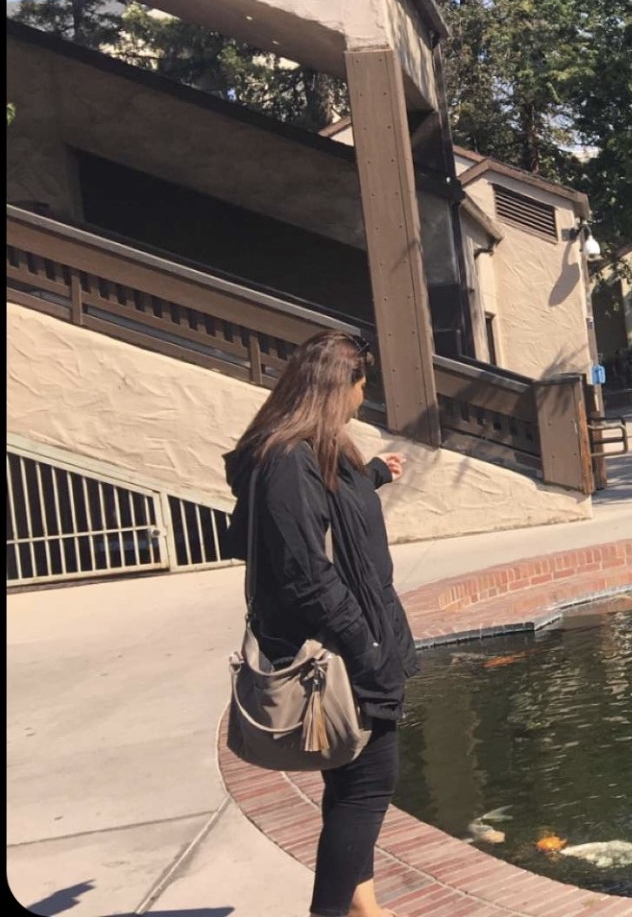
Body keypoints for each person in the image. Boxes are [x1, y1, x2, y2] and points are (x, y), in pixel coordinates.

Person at [223, 330, 417, 917]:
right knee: (367, 789)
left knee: (349, 785)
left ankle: (367, 911)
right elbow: (307, 575)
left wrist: (375, 474)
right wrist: (367, 648)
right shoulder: (289, 460)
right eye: (361, 387)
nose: (364, 399)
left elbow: (325, 507)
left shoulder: (305, 450)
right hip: (340, 657)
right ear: (339, 389)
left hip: (352, 647)